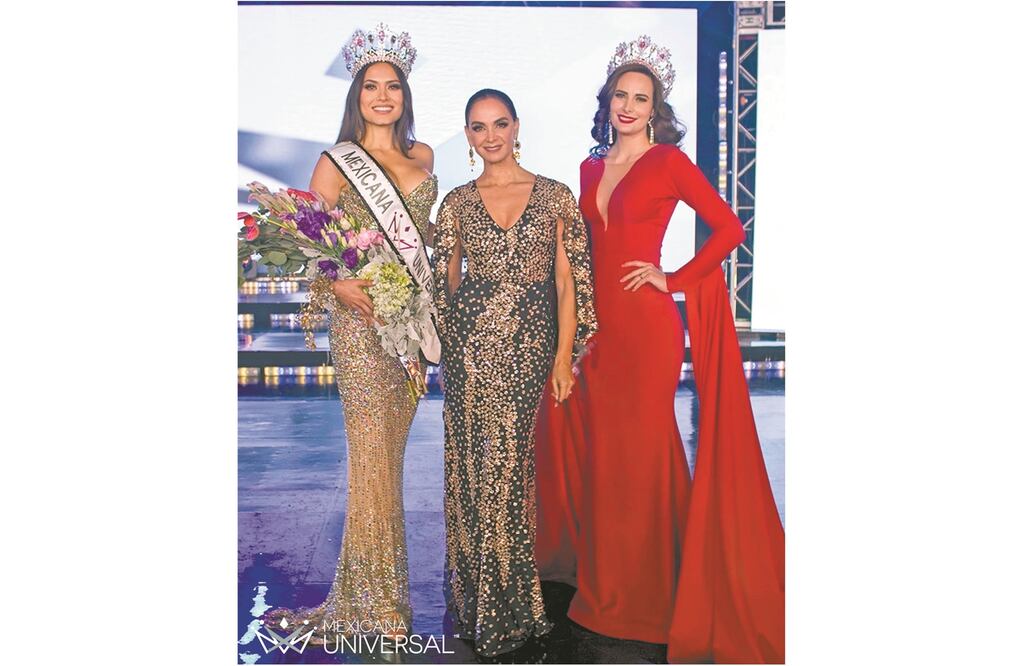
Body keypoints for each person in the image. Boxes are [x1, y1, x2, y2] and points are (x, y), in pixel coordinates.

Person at [534, 36, 785, 663]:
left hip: (646, 329)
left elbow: (729, 226)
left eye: (640, 98)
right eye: (621, 95)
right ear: (608, 101)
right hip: (596, 331)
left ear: (656, 108)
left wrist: (671, 279)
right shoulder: (590, 168)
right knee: (606, 459)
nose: (628, 105)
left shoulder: (669, 161)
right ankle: (607, 581)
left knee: (642, 456)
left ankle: (650, 590)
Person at [265, 23, 437, 641]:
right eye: (372, 86)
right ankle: (379, 608)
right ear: (356, 95)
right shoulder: (335, 162)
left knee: (388, 459)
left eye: (393, 86)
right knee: (370, 458)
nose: (383, 96)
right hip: (363, 328)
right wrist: (341, 285)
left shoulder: (425, 159)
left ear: (405, 96)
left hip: (411, 330)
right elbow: (312, 244)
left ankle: (371, 596)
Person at [431, 89, 597, 659]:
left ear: (517, 127)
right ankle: (487, 595)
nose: (491, 136)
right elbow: (444, 283)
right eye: (479, 127)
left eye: (500, 124)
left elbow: (568, 282)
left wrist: (562, 356)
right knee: (478, 469)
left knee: (509, 470)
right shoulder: (455, 202)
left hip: (530, 348)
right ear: (469, 135)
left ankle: (510, 602)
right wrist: (451, 344)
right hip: (471, 349)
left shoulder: (554, 196)